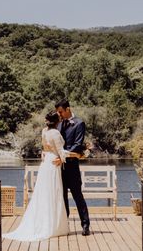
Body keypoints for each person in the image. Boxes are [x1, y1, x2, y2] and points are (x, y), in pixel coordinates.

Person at [3, 111, 69, 241]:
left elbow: (44, 149)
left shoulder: (44, 131)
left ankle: (45, 222)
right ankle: (53, 226)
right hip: (54, 163)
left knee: (44, 192)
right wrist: (73, 155)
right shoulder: (55, 133)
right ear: (57, 121)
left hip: (46, 163)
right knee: (53, 193)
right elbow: (61, 152)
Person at [54, 98, 91, 236]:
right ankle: (65, 225)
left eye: (61, 112)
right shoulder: (58, 124)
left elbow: (77, 144)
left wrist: (63, 155)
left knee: (77, 196)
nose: (59, 114)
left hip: (72, 167)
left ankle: (86, 225)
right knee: (62, 198)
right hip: (59, 168)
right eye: (58, 112)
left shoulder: (79, 123)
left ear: (68, 109)